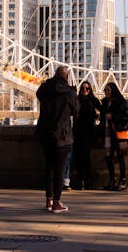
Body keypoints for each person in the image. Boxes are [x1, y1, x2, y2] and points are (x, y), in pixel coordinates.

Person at [36, 66, 78, 212]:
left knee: (49, 169)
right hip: (62, 135)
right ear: (66, 77)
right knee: (59, 171)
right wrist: (73, 92)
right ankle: (57, 203)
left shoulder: (45, 89)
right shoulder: (68, 92)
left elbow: (39, 94)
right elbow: (76, 110)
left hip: (46, 134)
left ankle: (48, 200)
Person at [99, 81, 128, 191]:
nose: (106, 92)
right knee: (108, 158)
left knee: (120, 158)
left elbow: (126, 117)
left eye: (108, 90)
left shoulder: (121, 102)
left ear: (113, 90)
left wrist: (113, 116)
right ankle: (112, 180)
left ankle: (123, 180)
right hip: (108, 135)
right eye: (105, 90)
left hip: (119, 134)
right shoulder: (105, 102)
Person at [72, 80, 101, 189]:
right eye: (83, 88)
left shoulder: (93, 100)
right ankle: (81, 180)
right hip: (78, 132)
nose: (85, 90)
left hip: (89, 132)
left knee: (86, 156)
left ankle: (86, 180)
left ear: (90, 90)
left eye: (87, 88)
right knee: (79, 157)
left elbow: (103, 109)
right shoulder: (77, 100)